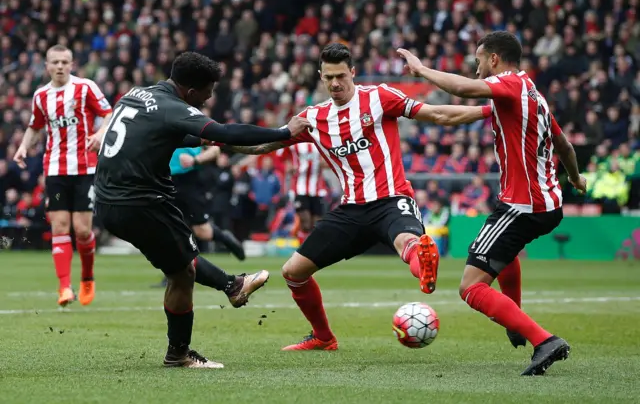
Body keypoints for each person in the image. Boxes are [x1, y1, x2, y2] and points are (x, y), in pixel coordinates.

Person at [225, 43, 492, 351]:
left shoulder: (379, 97)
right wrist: (217, 138)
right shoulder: (313, 118)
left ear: (352, 72)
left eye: (341, 76)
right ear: (320, 77)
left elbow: (437, 114)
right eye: (329, 78)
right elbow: (263, 146)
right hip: (351, 210)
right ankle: (323, 337)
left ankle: (423, 265)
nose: (335, 83)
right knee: (293, 272)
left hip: (391, 199)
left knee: (409, 243)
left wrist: (488, 109)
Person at [93, 51, 310, 368]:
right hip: (141, 202)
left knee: (182, 268)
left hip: (107, 201)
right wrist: (284, 132)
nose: (209, 99)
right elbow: (224, 131)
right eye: (208, 92)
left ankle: (231, 287)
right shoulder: (174, 107)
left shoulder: (136, 94)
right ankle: (189, 341)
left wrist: (198, 140)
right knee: (182, 274)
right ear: (191, 90)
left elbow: (150, 133)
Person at [398, 31, 587, 376]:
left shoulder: (510, 84)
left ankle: (543, 340)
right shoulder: (534, 94)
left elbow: (465, 90)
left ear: (495, 59)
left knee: (470, 287)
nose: (477, 68)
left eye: (479, 61)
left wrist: (421, 69)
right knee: (506, 252)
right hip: (548, 204)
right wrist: (574, 178)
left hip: (522, 206)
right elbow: (564, 145)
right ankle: (513, 317)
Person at [14, 44, 113, 307]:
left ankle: (87, 278)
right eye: (55, 62)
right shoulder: (41, 96)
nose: (60, 66)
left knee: (82, 230)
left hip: (84, 169)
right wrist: (24, 146)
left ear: (72, 64)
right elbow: (34, 126)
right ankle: (64, 288)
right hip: (55, 169)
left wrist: (99, 135)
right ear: (47, 66)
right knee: (59, 227)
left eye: (64, 62)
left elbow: (109, 114)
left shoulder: (85, 87)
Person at [151, 146, 246, 288]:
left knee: (202, 231)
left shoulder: (192, 128)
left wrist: (195, 160)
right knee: (170, 230)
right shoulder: (162, 127)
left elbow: (215, 150)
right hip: (166, 180)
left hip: (189, 182)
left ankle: (225, 237)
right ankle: (171, 275)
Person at [276, 142, 328, 245]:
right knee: (305, 222)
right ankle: (303, 249)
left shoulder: (320, 140)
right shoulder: (293, 142)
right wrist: (287, 165)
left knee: (316, 224)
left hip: (317, 190)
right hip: (299, 189)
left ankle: (314, 249)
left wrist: (326, 162)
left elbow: (331, 159)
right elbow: (279, 156)